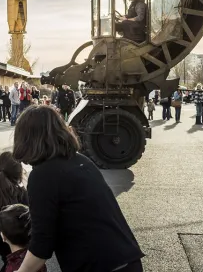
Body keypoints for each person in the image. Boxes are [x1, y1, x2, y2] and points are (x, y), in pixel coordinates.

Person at [10, 106, 144, 272]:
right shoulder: (81, 161)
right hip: (127, 259)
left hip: (97, 265)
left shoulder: (42, 175)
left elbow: (42, 244)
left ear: (26, 138)